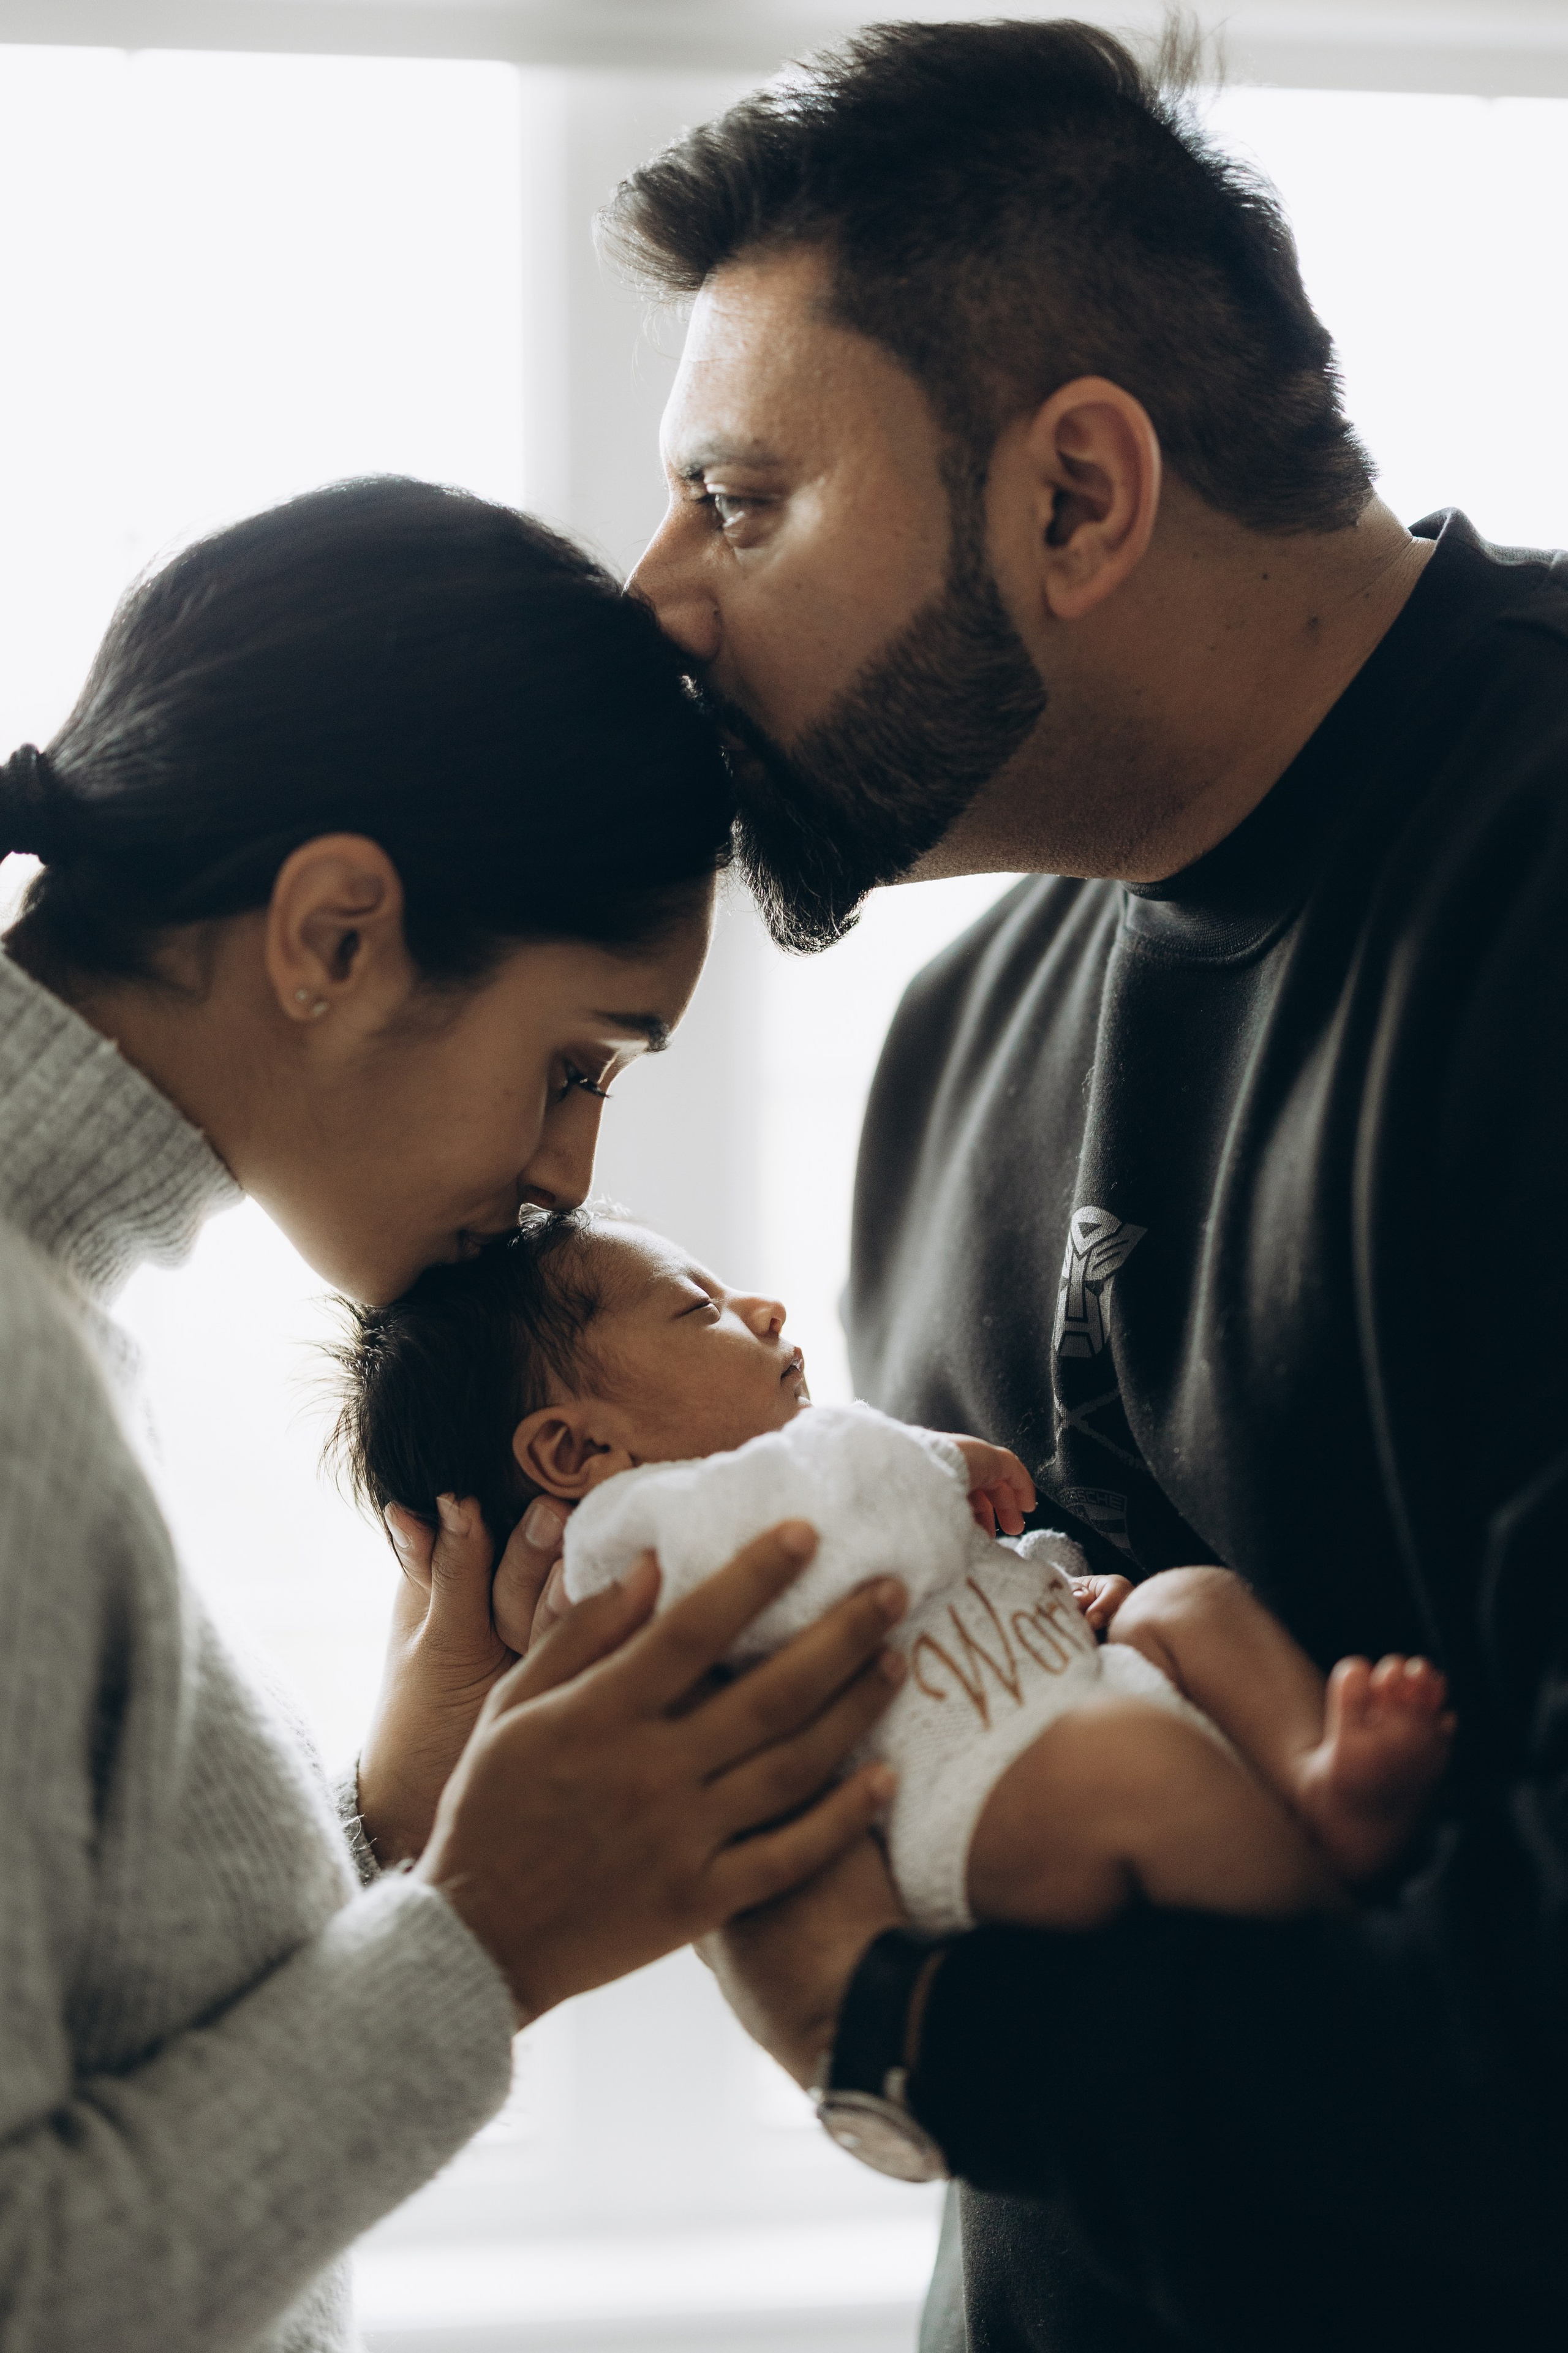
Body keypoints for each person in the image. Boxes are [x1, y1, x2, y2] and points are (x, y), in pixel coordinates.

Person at [605, 17, 1568, 2352]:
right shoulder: (952, 1051)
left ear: (1078, 498)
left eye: (740, 499)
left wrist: (906, 2039)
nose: (655, 592)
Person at [0, 476, 905, 2353]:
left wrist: (396, 1824)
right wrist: (491, 1934)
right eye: (577, 1062)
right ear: (334, 933)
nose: (574, 1174)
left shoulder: (59, 1323)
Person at [333, 1211, 1452, 1938]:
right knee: (1141, 1764)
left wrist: (1052, 1589)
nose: (763, 1308)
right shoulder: (626, 1550)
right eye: (699, 1306)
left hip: (1041, 1687)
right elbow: (854, 1512)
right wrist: (936, 1459)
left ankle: (1316, 1777)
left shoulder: (780, 1490)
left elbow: (916, 1578)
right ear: (576, 1453)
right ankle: (1330, 1938)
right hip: (959, 1808)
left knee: (1183, 1599)